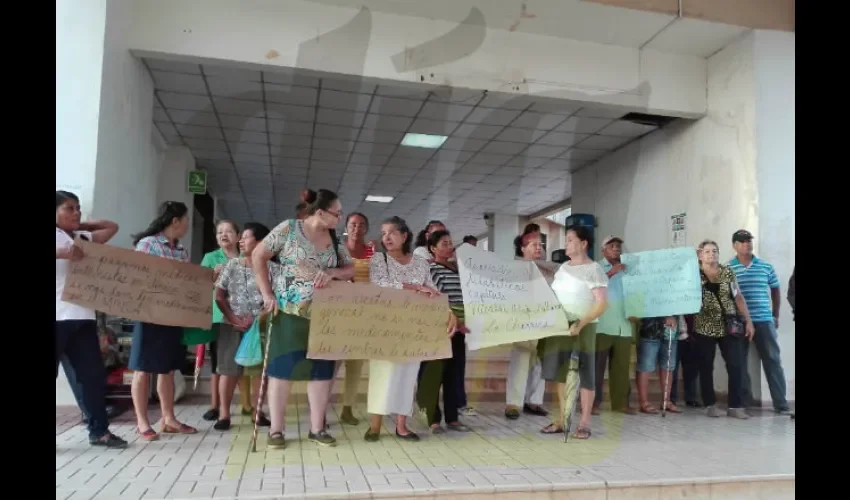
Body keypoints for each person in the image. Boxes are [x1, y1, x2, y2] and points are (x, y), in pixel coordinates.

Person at [253, 189, 354, 449]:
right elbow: (258, 255)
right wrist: (266, 293)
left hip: (326, 314)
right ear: (320, 212)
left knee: (322, 373)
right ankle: (276, 430)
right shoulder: (288, 229)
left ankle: (317, 428)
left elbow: (350, 267)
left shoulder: (333, 236)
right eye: (337, 213)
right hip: (289, 310)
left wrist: (333, 273)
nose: (340, 218)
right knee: (281, 371)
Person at [55, 190, 127, 448]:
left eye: (78, 208)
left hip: (82, 318)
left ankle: (99, 431)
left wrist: (78, 226)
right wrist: (64, 252)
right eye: (69, 208)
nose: (76, 213)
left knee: (92, 376)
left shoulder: (82, 238)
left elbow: (111, 227)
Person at [365, 216, 443, 442]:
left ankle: (401, 425)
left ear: (404, 235)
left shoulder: (420, 263)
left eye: (391, 232)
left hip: (414, 325)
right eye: (383, 233)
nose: (386, 237)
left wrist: (433, 295)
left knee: (407, 375)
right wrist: (411, 287)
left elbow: (431, 287)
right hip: (385, 325)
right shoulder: (379, 260)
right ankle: (375, 425)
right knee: (382, 373)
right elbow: (378, 284)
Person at [130, 201, 198, 441]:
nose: (188, 224)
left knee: (167, 368)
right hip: (149, 314)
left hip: (172, 316)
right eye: (186, 219)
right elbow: (138, 276)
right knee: (142, 368)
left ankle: (168, 419)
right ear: (175, 221)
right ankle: (142, 422)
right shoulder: (147, 244)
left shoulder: (181, 250)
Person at [540, 226, 609, 439]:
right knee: (560, 374)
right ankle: (564, 418)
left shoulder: (593, 269)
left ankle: (585, 422)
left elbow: (602, 304)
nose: (566, 244)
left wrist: (581, 323)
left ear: (583, 243)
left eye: (570, 240)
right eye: (567, 240)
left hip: (584, 326)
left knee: (585, 374)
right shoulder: (563, 268)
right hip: (560, 325)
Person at [212, 222, 277, 431]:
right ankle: (224, 414)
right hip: (231, 325)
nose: (241, 241)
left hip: (261, 326)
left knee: (260, 371)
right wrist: (233, 318)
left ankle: (259, 413)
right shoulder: (232, 265)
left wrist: (259, 318)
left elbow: (277, 299)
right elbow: (219, 295)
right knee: (228, 370)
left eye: (246, 237)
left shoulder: (273, 269)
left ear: (259, 242)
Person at [728, 230, 792, 415]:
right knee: (740, 362)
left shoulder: (765, 266)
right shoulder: (728, 268)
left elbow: (776, 291)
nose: (747, 244)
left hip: (764, 320)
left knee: (772, 360)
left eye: (749, 241)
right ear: (735, 245)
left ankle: (781, 404)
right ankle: (745, 402)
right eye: (742, 241)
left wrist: (775, 315)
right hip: (739, 322)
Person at [417, 229, 471, 434]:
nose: (450, 247)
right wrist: (450, 318)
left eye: (450, 243)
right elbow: (434, 297)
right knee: (434, 373)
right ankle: (433, 419)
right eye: (444, 243)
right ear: (432, 248)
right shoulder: (432, 270)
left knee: (454, 374)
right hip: (439, 328)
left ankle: (453, 418)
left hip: (459, 329)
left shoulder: (459, 270)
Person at [693, 239, 754, 419]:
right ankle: (710, 404)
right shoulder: (693, 274)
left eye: (715, 251)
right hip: (704, 325)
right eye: (707, 251)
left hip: (729, 325)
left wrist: (748, 321)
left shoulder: (727, 271)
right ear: (700, 255)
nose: (712, 254)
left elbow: (738, 297)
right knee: (705, 366)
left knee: (736, 364)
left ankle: (735, 406)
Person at [198, 220, 252, 423]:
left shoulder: (246, 259)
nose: (224, 235)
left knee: (240, 363)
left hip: (244, 317)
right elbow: (199, 286)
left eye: (229, 231)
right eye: (220, 232)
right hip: (219, 317)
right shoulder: (211, 258)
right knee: (220, 365)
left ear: (238, 236)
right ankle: (217, 407)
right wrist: (213, 276)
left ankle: (246, 405)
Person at [325, 212, 374, 426]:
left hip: (364, 315)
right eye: (353, 224)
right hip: (340, 313)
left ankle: (347, 409)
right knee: (332, 365)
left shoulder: (373, 251)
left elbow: (379, 279)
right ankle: (321, 411)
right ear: (347, 227)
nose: (357, 228)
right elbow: (328, 274)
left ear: (366, 228)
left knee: (355, 366)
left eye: (362, 224)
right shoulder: (337, 249)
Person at [504, 229, 548, 420]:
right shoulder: (513, 269)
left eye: (541, 245)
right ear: (522, 248)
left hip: (545, 319)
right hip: (522, 320)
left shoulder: (548, 269)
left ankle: (534, 401)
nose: (539, 248)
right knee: (520, 361)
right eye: (534, 245)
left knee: (540, 363)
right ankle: (514, 403)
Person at [594, 235, 636, 415]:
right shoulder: (595, 267)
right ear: (603, 250)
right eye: (611, 246)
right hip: (602, 325)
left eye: (618, 246)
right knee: (596, 367)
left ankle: (621, 403)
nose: (616, 249)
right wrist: (612, 272)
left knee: (621, 368)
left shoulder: (628, 269)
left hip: (624, 325)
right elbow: (590, 287)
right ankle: (592, 403)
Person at [635, 316, 683, 414]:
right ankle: (644, 402)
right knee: (645, 366)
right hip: (650, 330)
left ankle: (667, 401)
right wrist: (663, 320)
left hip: (671, 331)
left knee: (668, 366)